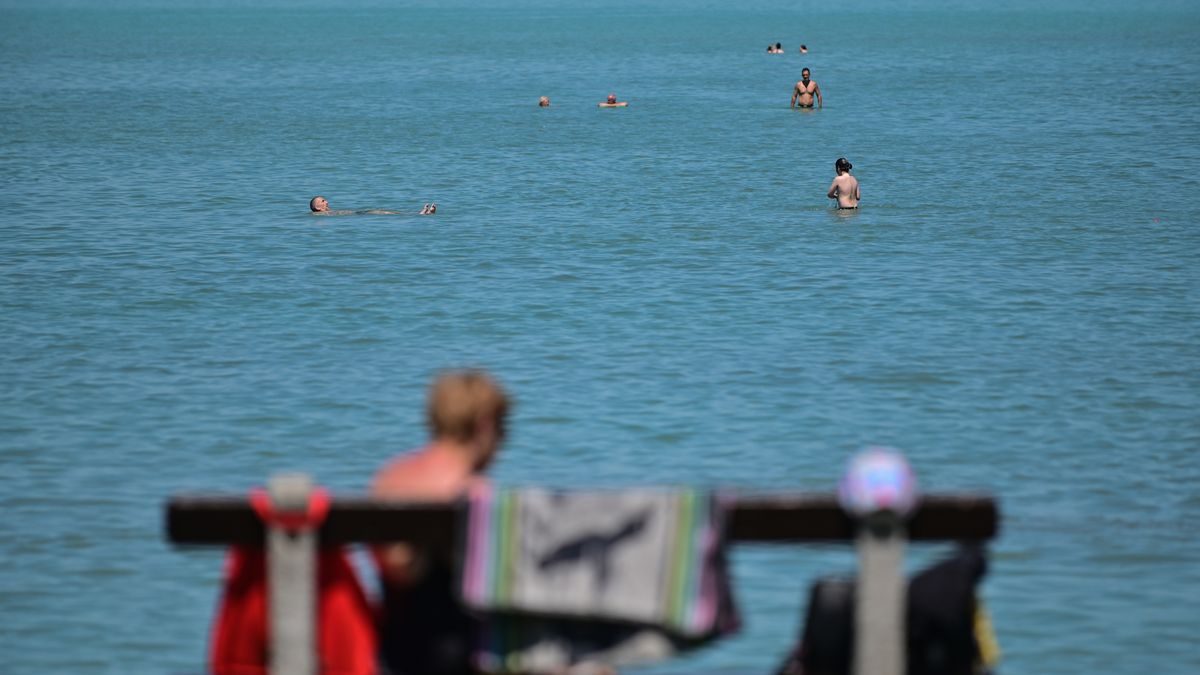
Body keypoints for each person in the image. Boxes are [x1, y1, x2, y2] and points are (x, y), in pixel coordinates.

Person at [371, 369, 512, 675]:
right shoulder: (476, 493)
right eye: (503, 430)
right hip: (457, 655)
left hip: (394, 650)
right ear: (484, 425)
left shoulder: (388, 478)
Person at [309, 196, 436, 216]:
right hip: (358, 215)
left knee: (382, 211)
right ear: (318, 208)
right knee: (382, 213)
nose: (326, 202)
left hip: (358, 213)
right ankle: (419, 214)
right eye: (323, 201)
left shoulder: (328, 213)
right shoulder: (322, 215)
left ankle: (422, 213)